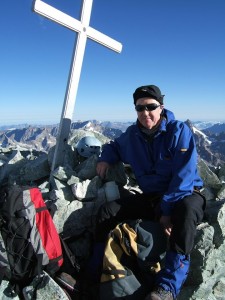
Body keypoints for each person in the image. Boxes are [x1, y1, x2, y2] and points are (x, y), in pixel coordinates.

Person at [95, 84, 205, 300]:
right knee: (107, 212)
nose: (145, 113)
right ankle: (97, 269)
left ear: (161, 107)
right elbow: (114, 146)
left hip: (185, 194)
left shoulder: (178, 131)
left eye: (151, 107)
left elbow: (183, 178)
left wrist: (166, 212)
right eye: (139, 108)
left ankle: (167, 287)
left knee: (186, 212)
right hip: (153, 198)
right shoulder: (132, 135)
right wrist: (105, 158)